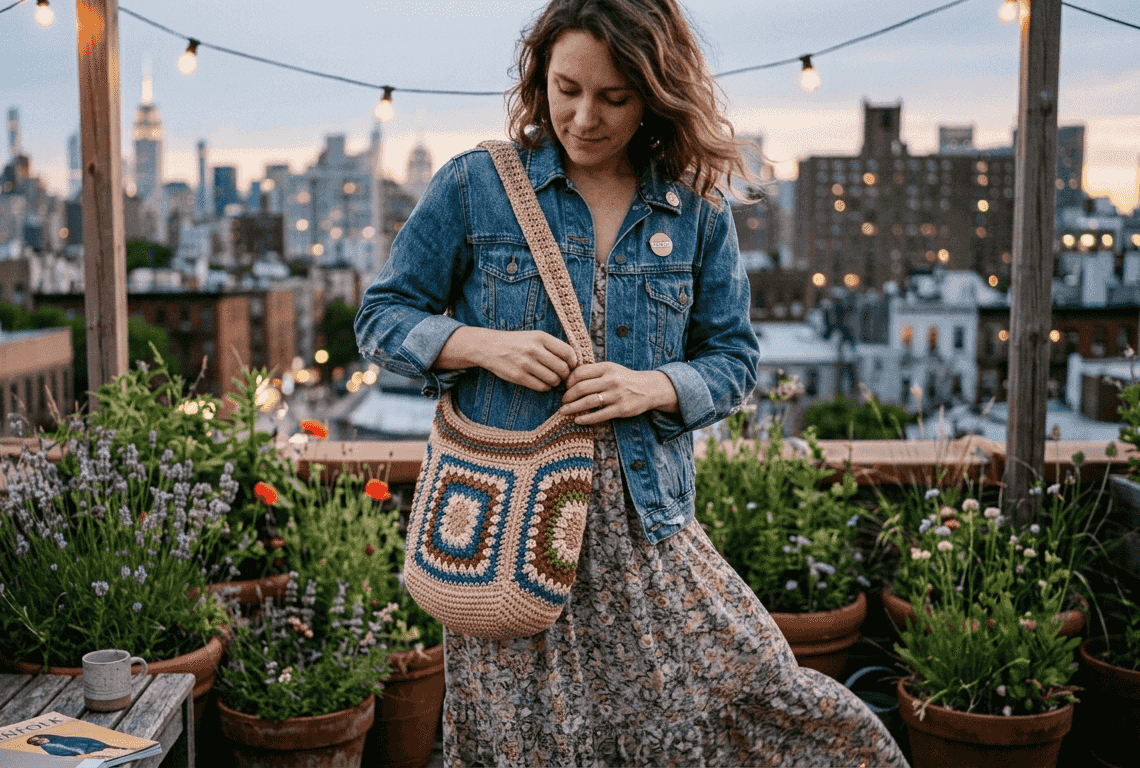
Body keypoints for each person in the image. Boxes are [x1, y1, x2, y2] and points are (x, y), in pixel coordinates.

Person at [355, 1, 909, 765]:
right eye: (567, 89)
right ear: (539, 79)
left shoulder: (694, 209)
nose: (584, 117)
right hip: (510, 530)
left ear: (653, 95)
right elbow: (381, 318)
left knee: (767, 699)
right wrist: (482, 346)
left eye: (613, 98)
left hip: (646, 529)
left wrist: (654, 388)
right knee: (529, 744)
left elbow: (734, 360)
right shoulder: (476, 185)